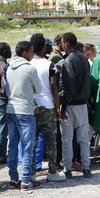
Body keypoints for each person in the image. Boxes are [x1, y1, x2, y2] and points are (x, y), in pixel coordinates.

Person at [5, 41, 42, 190]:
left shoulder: (9, 67)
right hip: (25, 110)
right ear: (25, 52)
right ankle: (26, 180)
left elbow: (7, 89)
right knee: (27, 147)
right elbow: (38, 89)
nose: (33, 54)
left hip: (11, 109)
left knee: (13, 145)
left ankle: (13, 178)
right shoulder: (29, 69)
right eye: (32, 51)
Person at [30, 34, 66, 182]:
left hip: (33, 107)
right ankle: (52, 172)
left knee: (32, 142)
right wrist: (58, 108)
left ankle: (31, 172)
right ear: (44, 47)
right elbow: (53, 87)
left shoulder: (27, 64)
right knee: (51, 142)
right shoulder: (49, 64)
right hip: (48, 106)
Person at [59, 32, 91, 179]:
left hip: (71, 104)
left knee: (67, 137)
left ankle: (67, 168)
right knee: (83, 138)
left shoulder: (68, 60)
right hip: (83, 103)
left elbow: (69, 85)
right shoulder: (84, 58)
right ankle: (86, 167)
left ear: (66, 43)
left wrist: (63, 105)